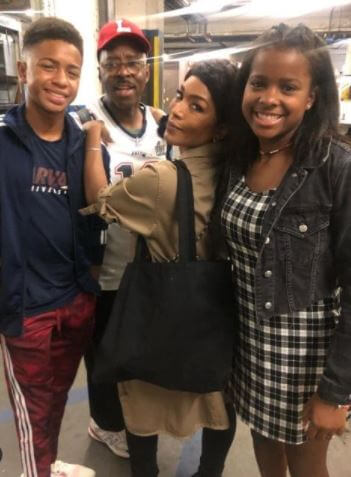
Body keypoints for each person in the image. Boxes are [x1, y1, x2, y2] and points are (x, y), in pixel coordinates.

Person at [81, 59, 238, 477]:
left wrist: (94, 139)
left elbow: (100, 197)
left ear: (221, 126)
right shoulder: (239, 173)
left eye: (197, 106)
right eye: (181, 95)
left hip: (163, 313)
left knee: (142, 403)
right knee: (219, 403)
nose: (179, 109)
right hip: (219, 315)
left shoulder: (162, 179)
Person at [221, 23, 351, 477]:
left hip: (305, 354)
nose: (269, 98)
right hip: (248, 343)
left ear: (312, 97)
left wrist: (335, 392)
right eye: (259, 83)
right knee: (262, 446)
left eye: (288, 87)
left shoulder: (334, 166)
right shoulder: (240, 156)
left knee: (306, 464)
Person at [0, 17, 108, 477]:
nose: (60, 81)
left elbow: (99, 210)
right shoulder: (3, 140)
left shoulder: (84, 143)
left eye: (71, 70)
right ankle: (36, 469)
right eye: (48, 66)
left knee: (57, 399)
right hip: (25, 307)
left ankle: (45, 464)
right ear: (23, 71)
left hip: (76, 298)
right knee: (31, 415)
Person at [82, 18, 166, 459]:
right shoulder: (84, 123)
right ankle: (105, 424)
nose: (123, 71)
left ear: (146, 71)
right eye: (112, 63)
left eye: (132, 62)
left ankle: (134, 417)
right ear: (100, 71)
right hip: (104, 270)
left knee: (139, 351)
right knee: (103, 354)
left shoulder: (161, 124)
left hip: (149, 267)